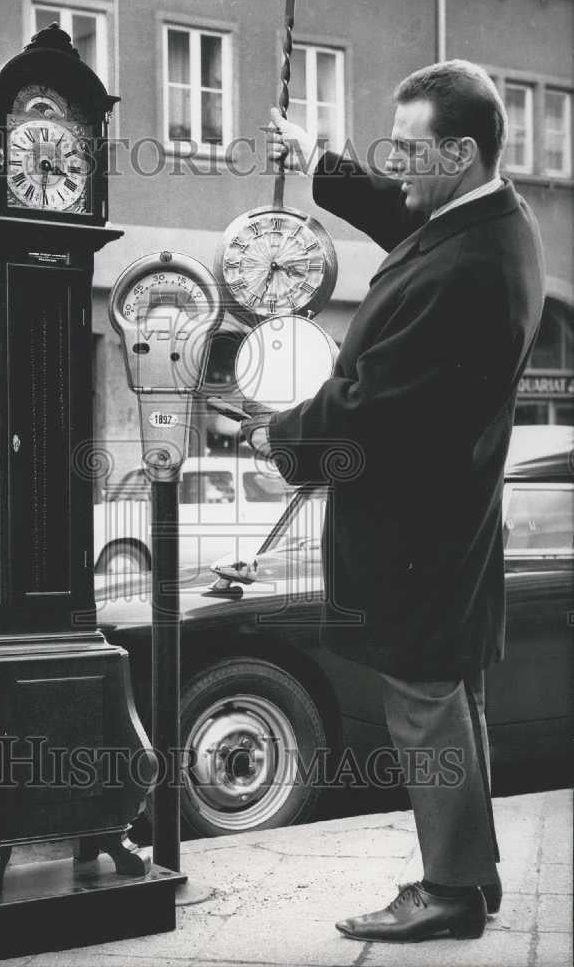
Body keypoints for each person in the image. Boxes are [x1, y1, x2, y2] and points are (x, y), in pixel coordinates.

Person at [241, 60, 545, 943]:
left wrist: (278, 440)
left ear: (459, 150)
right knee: (449, 694)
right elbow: (406, 215)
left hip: (416, 523)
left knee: (421, 701)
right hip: (449, 515)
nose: (397, 163)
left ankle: (447, 891)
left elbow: (372, 405)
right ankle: (470, 875)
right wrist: (317, 163)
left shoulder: (470, 271)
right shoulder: (488, 216)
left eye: (410, 150)